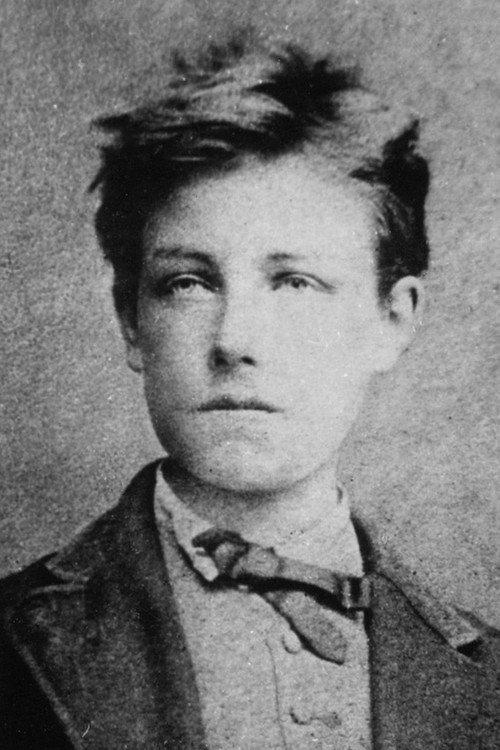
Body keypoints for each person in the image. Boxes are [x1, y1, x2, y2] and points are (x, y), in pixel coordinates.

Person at [1, 40, 498, 750]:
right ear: (130, 319)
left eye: (295, 282)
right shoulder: (16, 641)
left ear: (392, 320)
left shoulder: (487, 680)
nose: (235, 339)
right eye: (188, 283)